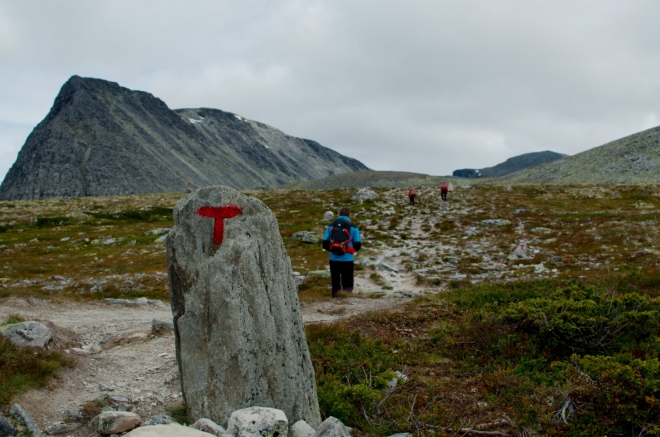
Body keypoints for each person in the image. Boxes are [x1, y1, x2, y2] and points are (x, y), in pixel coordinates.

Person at [322, 207, 362, 297]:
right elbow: (358, 245)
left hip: (334, 259)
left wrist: (334, 250)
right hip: (348, 259)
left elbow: (325, 244)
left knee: (335, 281)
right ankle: (346, 297)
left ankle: (335, 296)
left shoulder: (331, 226)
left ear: (339, 215)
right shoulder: (353, 227)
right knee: (347, 281)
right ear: (349, 215)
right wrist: (349, 250)